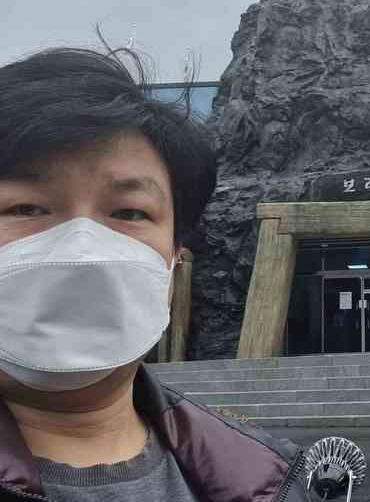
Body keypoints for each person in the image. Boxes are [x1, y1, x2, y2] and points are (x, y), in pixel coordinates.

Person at [0, 47, 310, 501]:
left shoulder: (264, 479)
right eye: (26, 208)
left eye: (129, 212)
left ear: (174, 257)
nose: (82, 251)